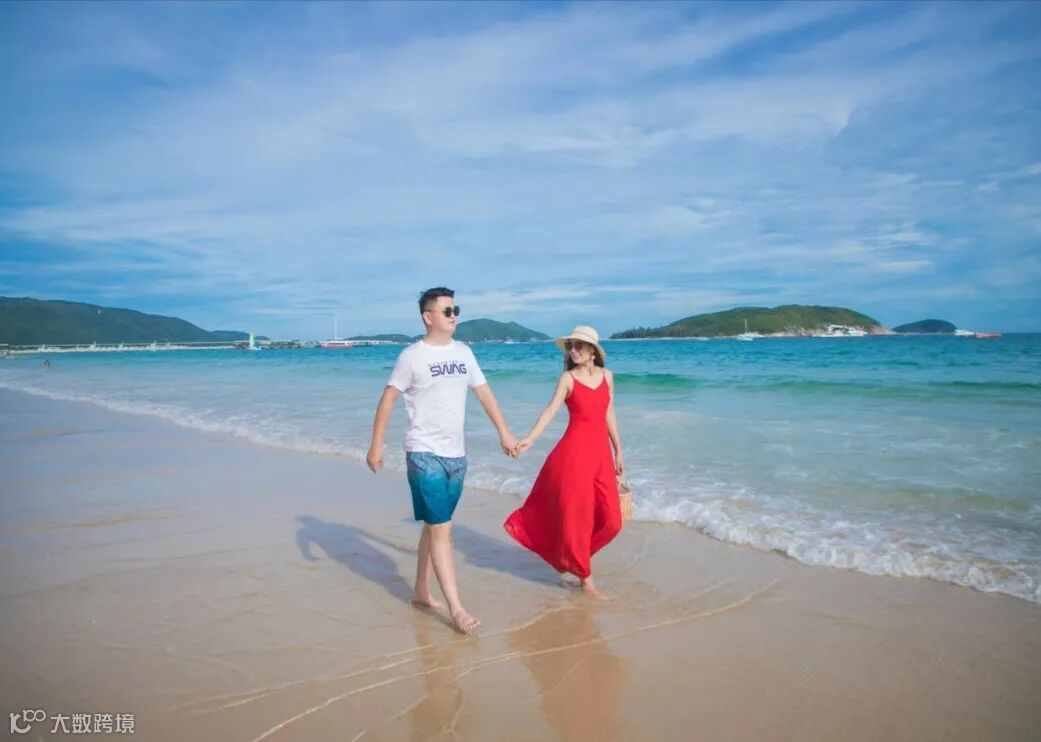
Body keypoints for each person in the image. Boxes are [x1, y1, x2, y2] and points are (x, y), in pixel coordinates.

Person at [367, 287, 517, 634]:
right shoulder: (412, 356)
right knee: (442, 529)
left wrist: (504, 432)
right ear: (428, 317)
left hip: (456, 455)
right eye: (447, 311)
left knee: (435, 525)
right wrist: (376, 445)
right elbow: (389, 398)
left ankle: (421, 591)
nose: (454, 316)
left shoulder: (464, 352)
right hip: (424, 452)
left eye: (456, 310)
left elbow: (484, 392)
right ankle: (457, 609)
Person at [505, 326, 624, 600]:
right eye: (570, 346)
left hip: (601, 457)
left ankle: (573, 557)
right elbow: (550, 411)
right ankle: (586, 580)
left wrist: (618, 449)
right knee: (578, 519)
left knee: (612, 522)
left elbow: (609, 412)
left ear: (593, 350)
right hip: (573, 457)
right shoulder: (568, 379)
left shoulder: (607, 377)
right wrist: (530, 438)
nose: (573, 350)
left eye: (579, 345)